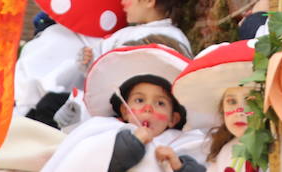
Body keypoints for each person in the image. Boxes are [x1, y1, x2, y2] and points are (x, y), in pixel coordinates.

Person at [41, 44, 206, 172]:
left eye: (160, 103)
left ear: (173, 119)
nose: (148, 108)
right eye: (139, 100)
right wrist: (132, 143)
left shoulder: (187, 141)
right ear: (125, 111)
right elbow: (93, 160)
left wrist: (179, 165)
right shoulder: (108, 130)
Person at [171, 41, 259, 172]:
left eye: (250, 101)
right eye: (231, 102)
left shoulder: (281, 148)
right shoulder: (225, 151)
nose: (239, 112)